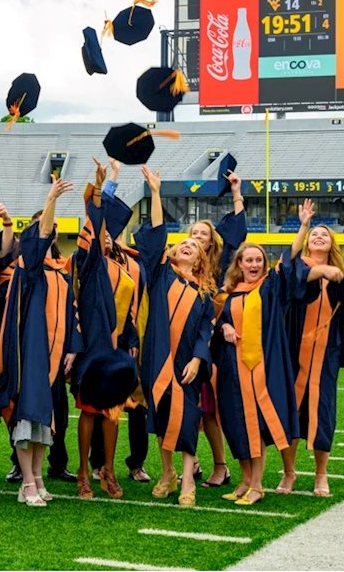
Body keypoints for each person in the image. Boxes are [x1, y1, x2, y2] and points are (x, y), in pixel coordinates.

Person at [278, 199, 344, 498]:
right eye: (314, 234)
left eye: (325, 234)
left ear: (332, 243)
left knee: (323, 414)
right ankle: (289, 472)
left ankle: (321, 475)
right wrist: (304, 225)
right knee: (291, 413)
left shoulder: (342, 279)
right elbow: (288, 269)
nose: (319, 236)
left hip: (326, 355)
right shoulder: (299, 269)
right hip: (293, 352)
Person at [137, 165, 216, 507]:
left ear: (200, 258)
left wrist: (199, 359)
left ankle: (186, 480)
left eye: (192, 246)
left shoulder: (204, 294)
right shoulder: (160, 277)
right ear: (171, 254)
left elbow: (204, 331)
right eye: (181, 244)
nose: (186, 246)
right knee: (161, 415)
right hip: (157, 357)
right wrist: (156, 193)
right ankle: (167, 472)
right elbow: (155, 233)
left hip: (187, 364)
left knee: (186, 418)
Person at [0, 177, 75, 506]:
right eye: (44, 228)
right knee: (28, 416)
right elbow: (37, 240)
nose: (49, 231)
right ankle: (27, 482)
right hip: (31, 354)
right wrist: (51, 198)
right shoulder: (29, 268)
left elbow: (72, 314)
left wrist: (73, 347)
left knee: (47, 419)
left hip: (55, 356)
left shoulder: (61, 272)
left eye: (52, 228)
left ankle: (39, 476)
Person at [211, 243, 300, 505]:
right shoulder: (230, 293)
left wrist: (303, 226)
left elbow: (288, 261)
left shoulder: (269, 288)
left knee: (256, 426)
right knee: (236, 423)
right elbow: (218, 322)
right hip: (232, 369)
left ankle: (258, 485)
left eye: (258, 260)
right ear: (239, 264)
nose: (253, 265)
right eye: (248, 260)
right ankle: (245, 479)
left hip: (261, 368)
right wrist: (225, 325)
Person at [83, 158, 151, 491]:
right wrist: (108, 180)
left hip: (128, 341)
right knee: (96, 406)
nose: (109, 235)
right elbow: (94, 219)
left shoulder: (132, 262)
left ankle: (132, 463)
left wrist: (134, 338)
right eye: (104, 232)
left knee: (133, 404)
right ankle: (94, 466)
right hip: (98, 343)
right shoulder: (92, 263)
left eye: (114, 231)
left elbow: (137, 305)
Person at [187, 173, 246, 489]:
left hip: (212, 345)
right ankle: (190, 462)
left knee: (208, 409)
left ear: (211, 240)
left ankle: (221, 466)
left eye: (202, 233)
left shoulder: (220, 266)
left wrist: (236, 192)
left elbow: (237, 232)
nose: (197, 237)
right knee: (186, 407)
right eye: (193, 232)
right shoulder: (180, 266)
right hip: (182, 343)